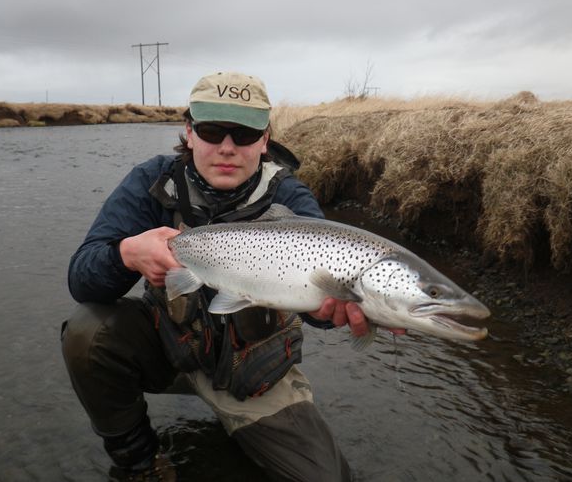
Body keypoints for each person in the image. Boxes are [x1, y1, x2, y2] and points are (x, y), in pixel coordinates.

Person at [61, 71, 382, 481]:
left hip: (256, 375)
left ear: (265, 140)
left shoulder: (289, 198)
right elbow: (81, 278)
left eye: (244, 134)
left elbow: (318, 309)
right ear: (189, 132)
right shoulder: (151, 183)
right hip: (169, 351)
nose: (227, 148)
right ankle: (139, 462)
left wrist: (342, 308)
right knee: (87, 333)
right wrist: (126, 254)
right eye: (213, 131)